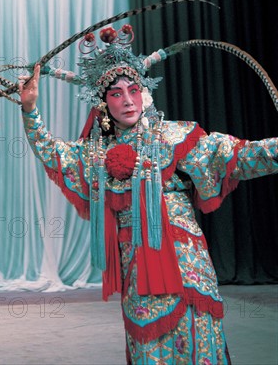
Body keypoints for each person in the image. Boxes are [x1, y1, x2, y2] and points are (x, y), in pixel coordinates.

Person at [18, 23, 278, 364]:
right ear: (102, 102)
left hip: (186, 260)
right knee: (148, 343)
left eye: (133, 89)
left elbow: (237, 155)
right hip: (136, 263)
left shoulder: (175, 136)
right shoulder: (95, 153)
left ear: (145, 92)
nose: (127, 100)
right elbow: (53, 154)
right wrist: (29, 110)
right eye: (116, 94)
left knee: (199, 335)